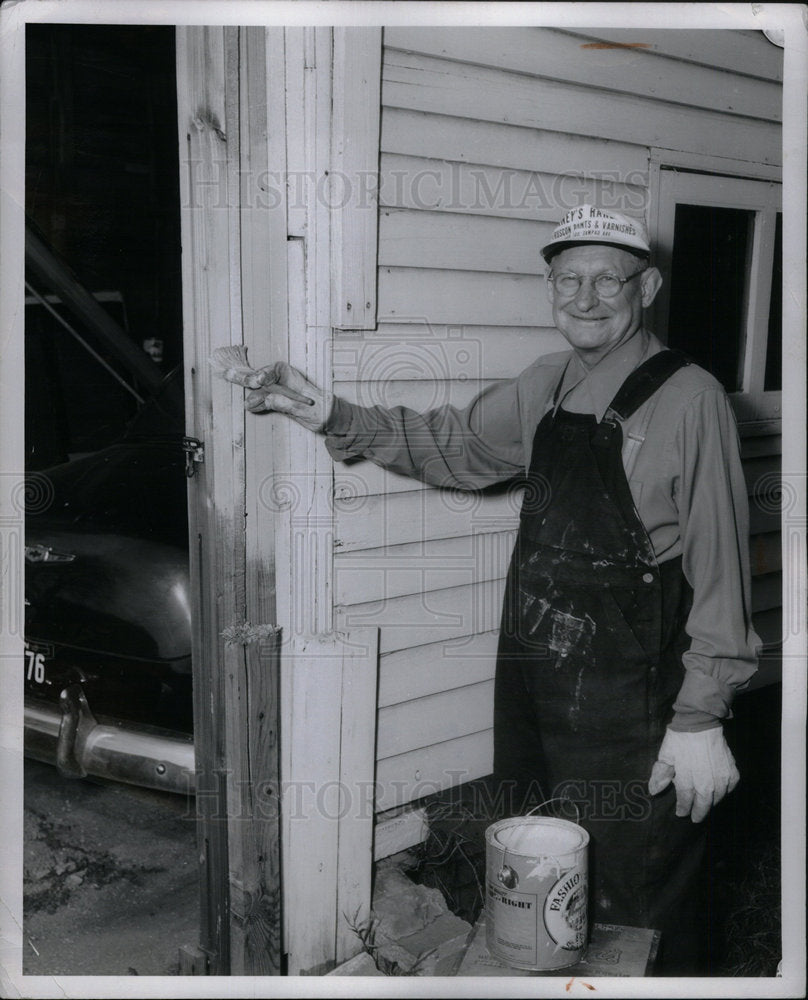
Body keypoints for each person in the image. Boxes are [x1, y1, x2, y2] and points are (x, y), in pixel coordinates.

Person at [244, 205, 761, 973]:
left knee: (637, 889)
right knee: (539, 862)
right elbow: (450, 446)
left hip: (633, 696)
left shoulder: (694, 400)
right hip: (534, 677)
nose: (584, 299)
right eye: (566, 281)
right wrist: (329, 413)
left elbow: (722, 569)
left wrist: (700, 718)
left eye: (606, 280)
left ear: (645, 286)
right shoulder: (546, 384)